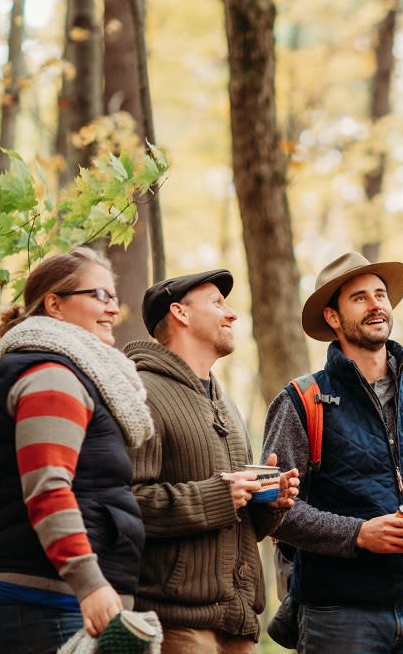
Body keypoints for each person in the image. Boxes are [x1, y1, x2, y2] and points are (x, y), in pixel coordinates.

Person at [262, 252, 403, 653]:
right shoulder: (302, 400)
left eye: (381, 295)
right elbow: (274, 509)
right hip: (338, 612)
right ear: (333, 318)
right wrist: (359, 534)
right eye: (360, 298)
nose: (376, 304)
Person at [0, 247, 155, 653]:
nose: (113, 309)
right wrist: (89, 582)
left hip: (66, 597)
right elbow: (47, 488)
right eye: (99, 296)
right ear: (55, 305)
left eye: (114, 296)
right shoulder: (52, 377)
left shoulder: (75, 375)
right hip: (50, 599)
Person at [125, 269, 300, 653]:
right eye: (217, 303)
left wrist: (270, 503)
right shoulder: (141, 392)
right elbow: (126, 503)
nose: (232, 314)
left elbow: (240, 524)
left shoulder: (225, 402)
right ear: (180, 313)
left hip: (239, 624)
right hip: (176, 625)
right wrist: (220, 495)